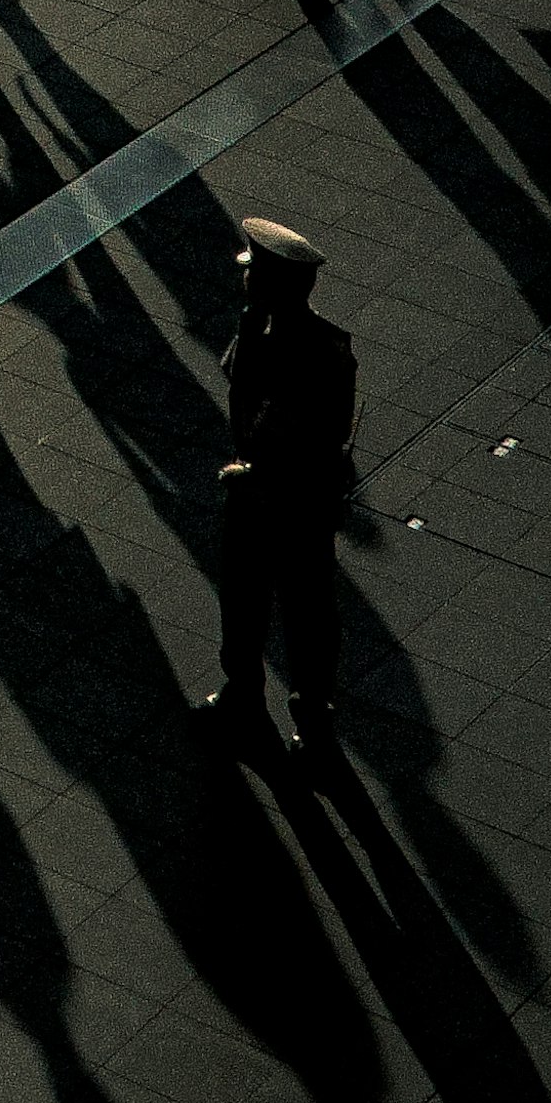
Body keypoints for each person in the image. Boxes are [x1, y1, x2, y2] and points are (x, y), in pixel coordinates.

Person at [206, 223, 358, 755]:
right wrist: (251, 323)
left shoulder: (319, 350)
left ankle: (312, 723)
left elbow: (304, 434)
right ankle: (244, 692)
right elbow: (236, 375)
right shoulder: (265, 329)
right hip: (263, 495)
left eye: (256, 273)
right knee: (242, 598)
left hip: (295, 502)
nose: (246, 279)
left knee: (305, 614)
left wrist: (255, 476)